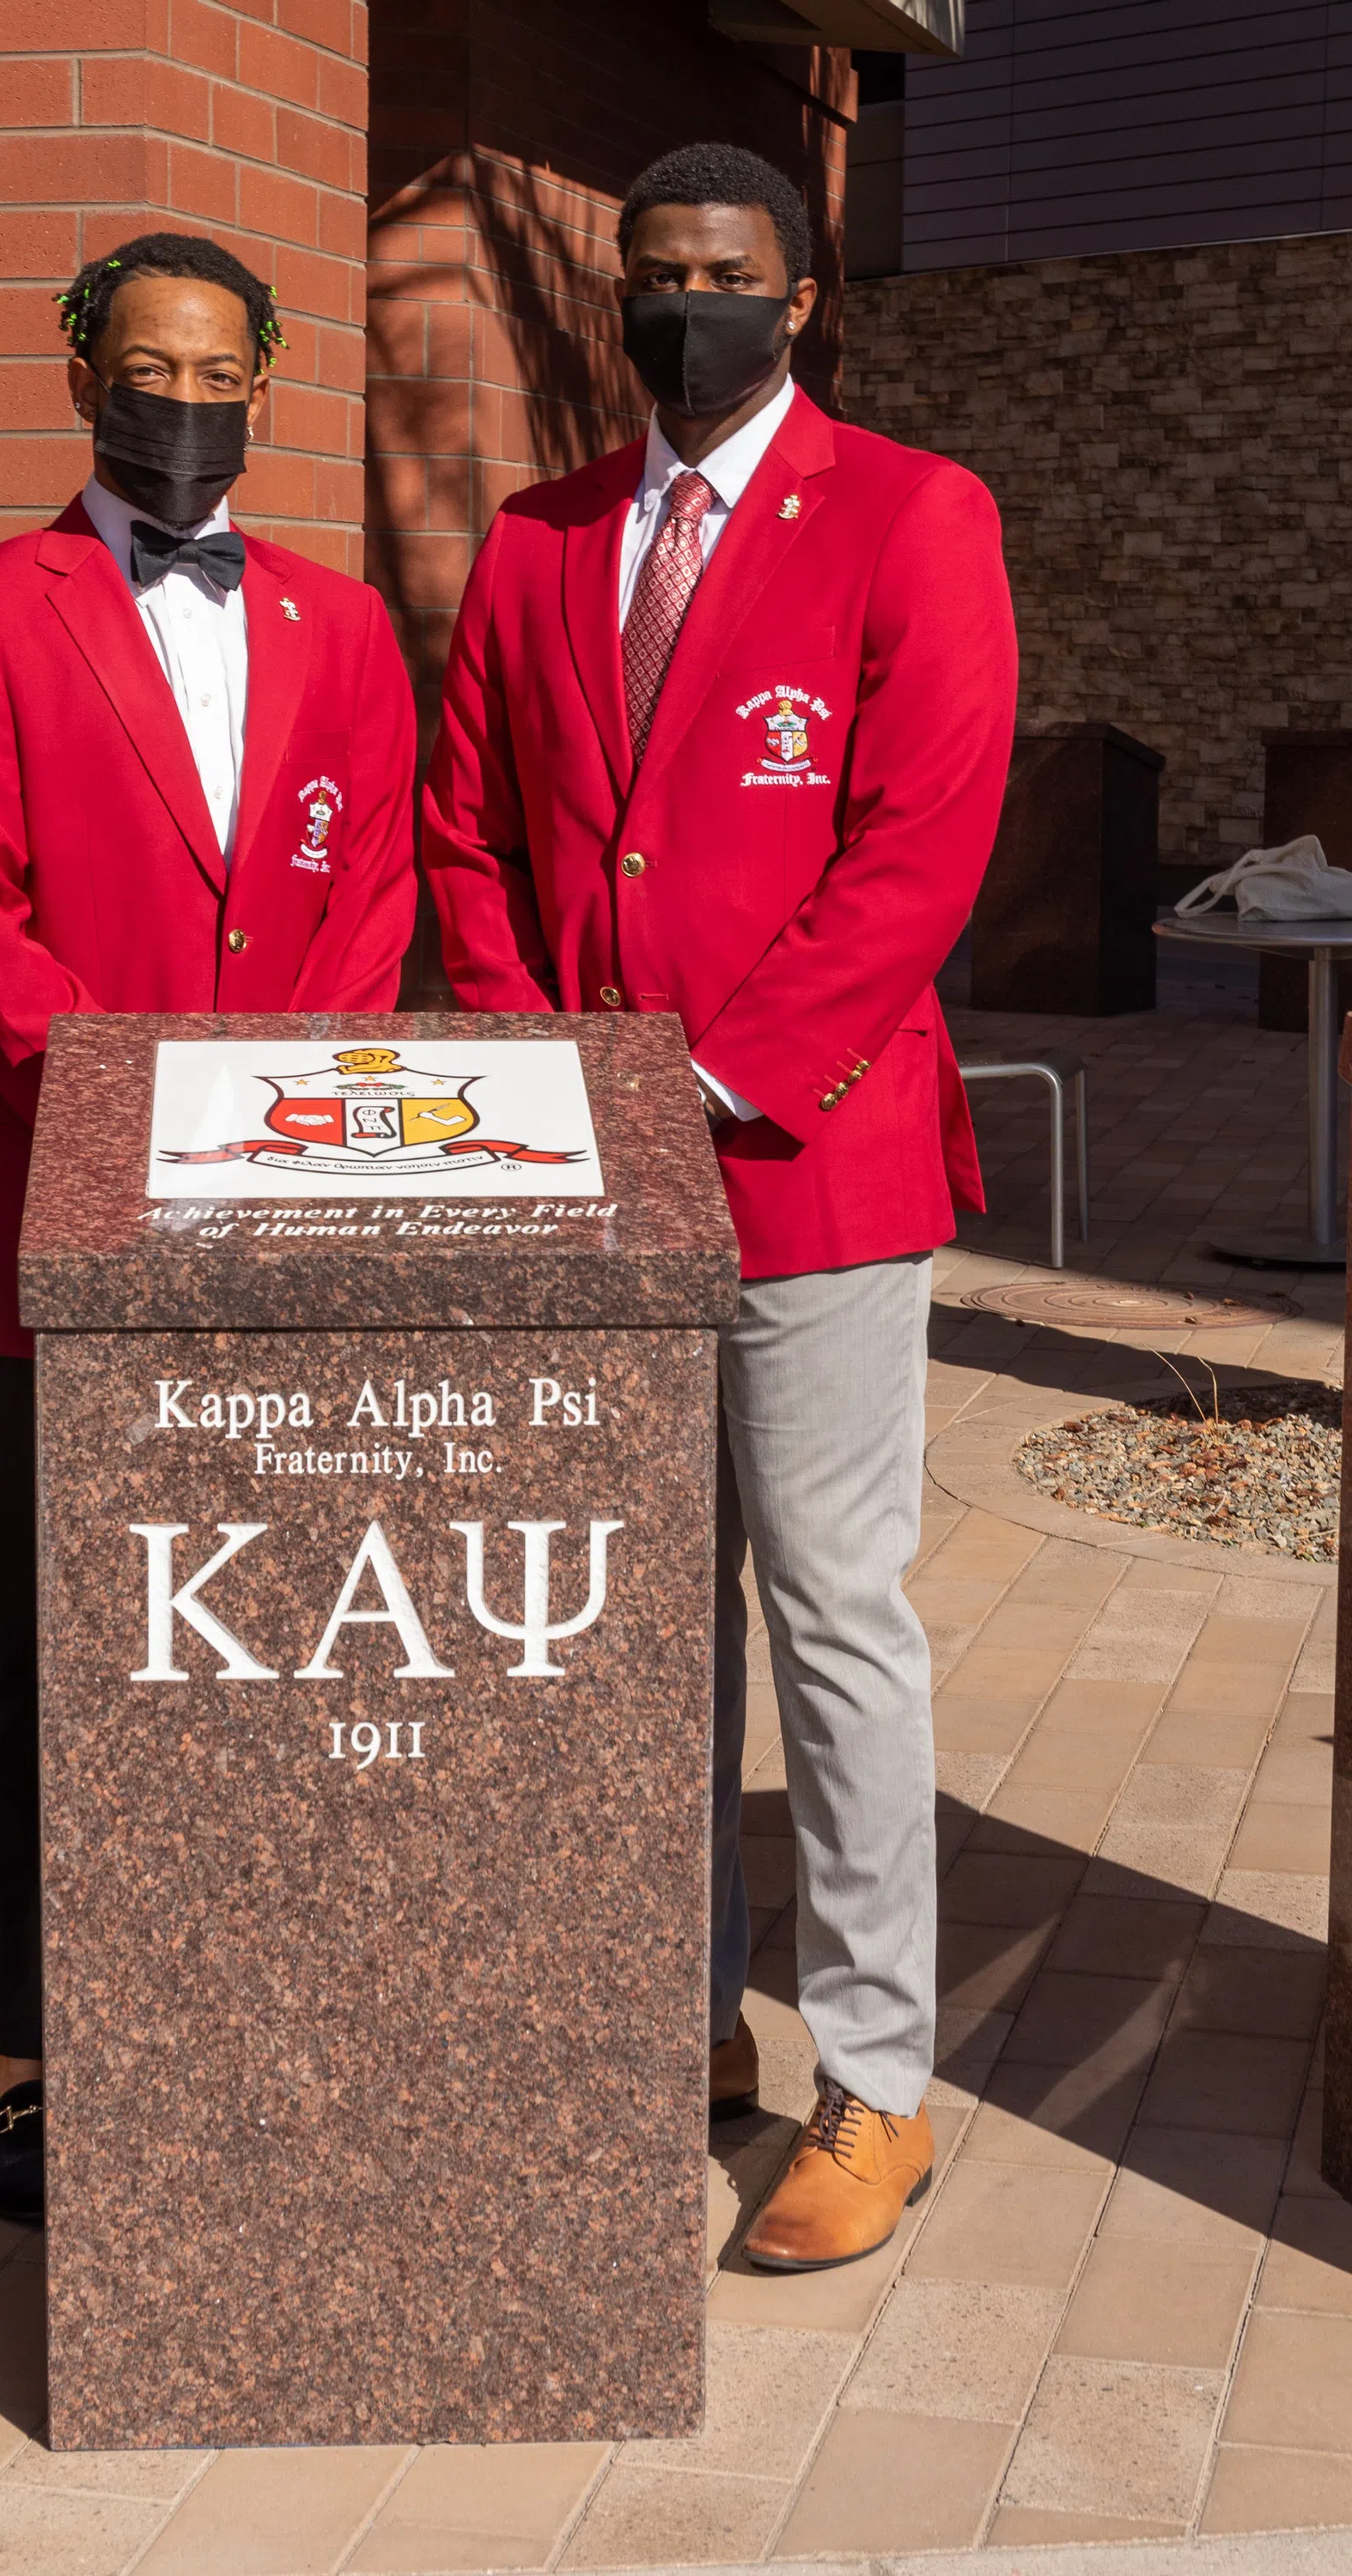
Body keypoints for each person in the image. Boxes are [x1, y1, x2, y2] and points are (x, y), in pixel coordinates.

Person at [422, 143, 1017, 2270]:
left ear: (803, 299)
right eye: (657, 276)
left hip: (809, 1166)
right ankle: (680, 2027)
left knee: (835, 1623)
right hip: (592, 1175)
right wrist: (554, 1079)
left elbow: (919, 845)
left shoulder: (915, 518)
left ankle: (875, 2083)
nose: (691, 308)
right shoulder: (536, 542)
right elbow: (466, 826)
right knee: (640, 1628)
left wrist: (703, 1076)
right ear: (617, 297)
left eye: (728, 278)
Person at [0, 233, 419, 2226]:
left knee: (248, 1629)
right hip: (58, 1197)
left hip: (272, 1211)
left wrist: (263, 1144)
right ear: (83, 369)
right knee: (34, 1629)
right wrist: (138, 1130)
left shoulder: (344, 627)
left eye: (214, 369)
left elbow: (367, 896)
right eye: (143, 362)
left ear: (264, 386)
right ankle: (24, 2054)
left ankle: (234, 1986)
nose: (177, 398)